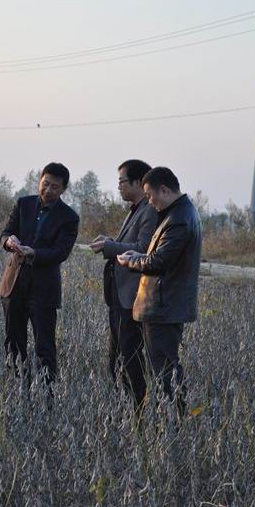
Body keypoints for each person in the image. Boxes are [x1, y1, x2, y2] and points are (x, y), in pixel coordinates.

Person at [116, 167, 202, 412]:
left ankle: (174, 420)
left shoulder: (178, 219)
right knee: (164, 368)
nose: (149, 201)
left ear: (163, 190)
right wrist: (138, 256)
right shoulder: (179, 213)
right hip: (165, 305)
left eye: (150, 195)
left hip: (164, 307)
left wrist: (131, 260)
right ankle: (171, 417)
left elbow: (159, 262)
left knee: (165, 370)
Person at [0, 162, 79, 387]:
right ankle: (18, 389)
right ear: (40, 180)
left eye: (55, 186)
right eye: (45, 183)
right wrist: (9, 241)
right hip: (14, 283)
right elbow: (6, 232)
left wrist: (34, 253)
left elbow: (61, 252)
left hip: (43, 288)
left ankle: (46, 396)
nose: (48, 189)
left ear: (63, 189)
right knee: (13, 341)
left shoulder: (69, 217)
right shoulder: (23, 204)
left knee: (44, 346)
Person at [89, 159, 157, 409]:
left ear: (138, 183)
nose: (118, 186)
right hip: (118, 295)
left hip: (131, 297)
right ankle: (122, 409)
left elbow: (142, 249)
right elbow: (129, 244)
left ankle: (136, 408)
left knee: (130, 357)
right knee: (116, 357)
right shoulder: (134, 209)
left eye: (122, 182)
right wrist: (110, 241)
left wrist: (109, 247)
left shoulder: (149, 211)